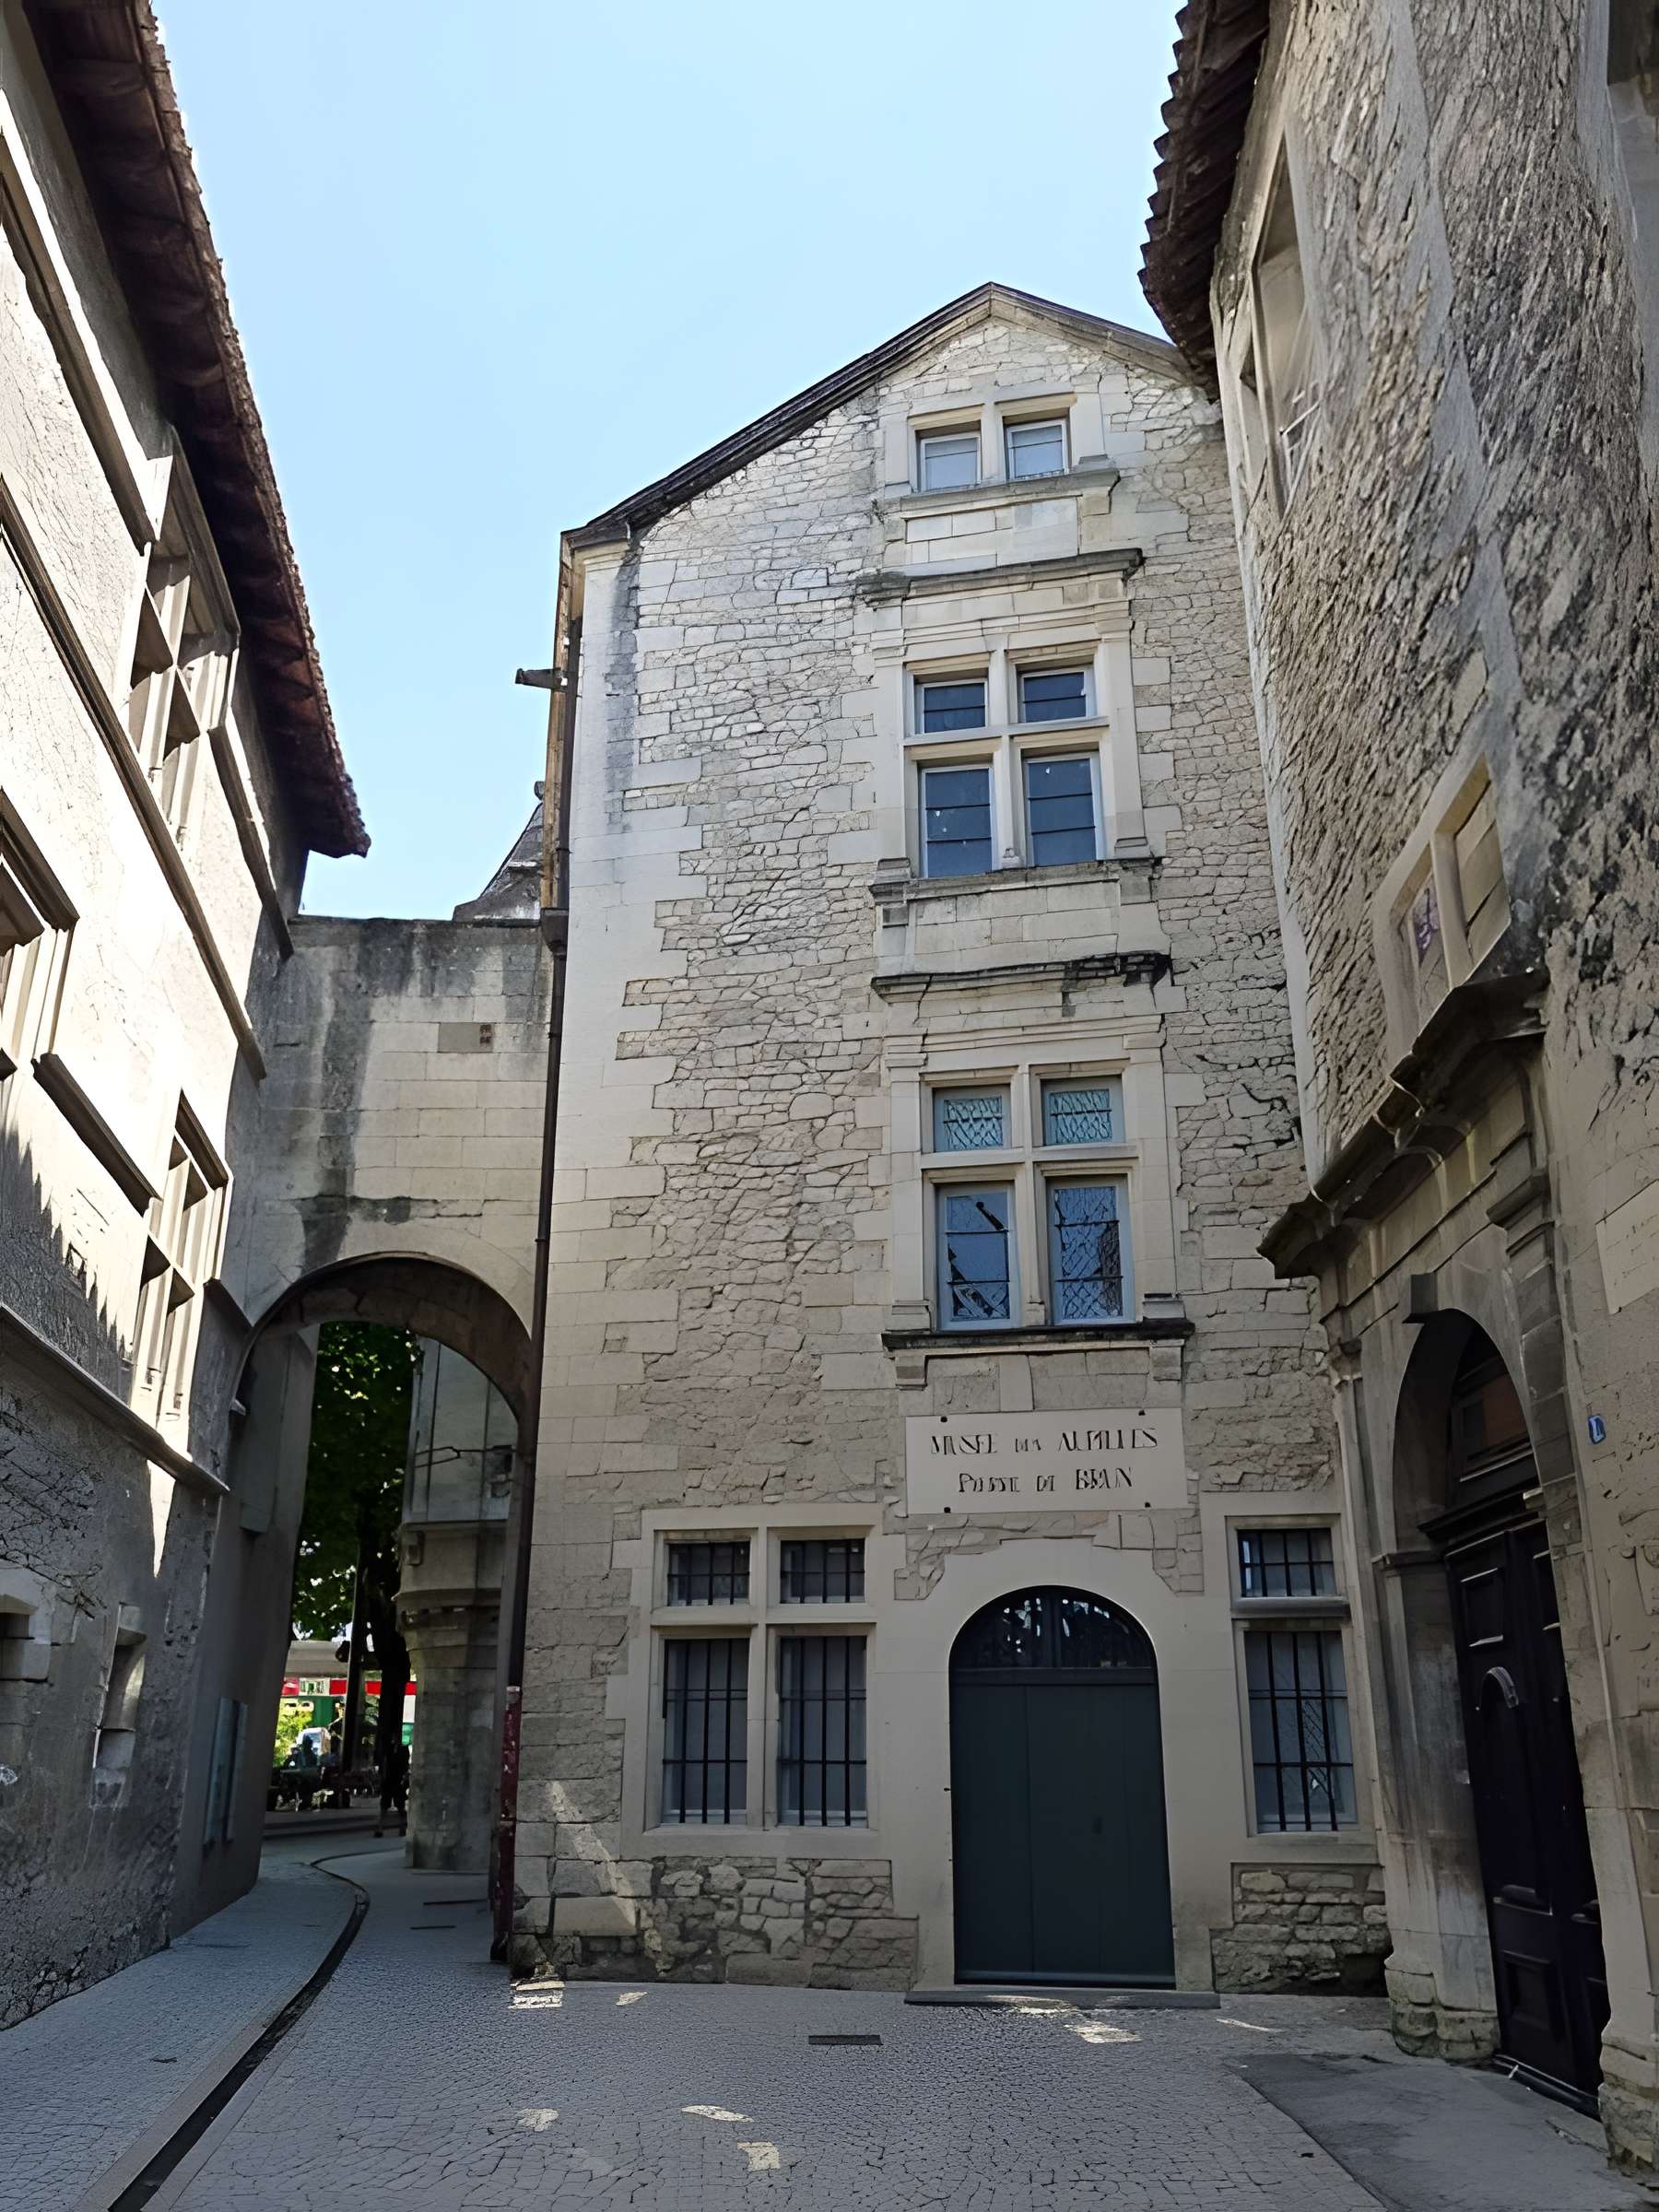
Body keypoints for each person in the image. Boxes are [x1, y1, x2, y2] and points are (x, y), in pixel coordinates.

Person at [375, 1738, 410, 1837]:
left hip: (393, 1781)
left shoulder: (394, 1752)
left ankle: (382, 1828)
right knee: (394, 1807)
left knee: (395, 1807)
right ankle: (398, 1828)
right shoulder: (394, 1752)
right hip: (393, 1782)